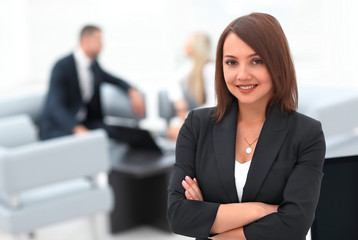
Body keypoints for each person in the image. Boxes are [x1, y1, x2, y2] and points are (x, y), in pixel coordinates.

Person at [167, 12, 326, 240]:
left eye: (256, 61)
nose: (242, 75)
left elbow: (295, 225)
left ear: (278, 65)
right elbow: (178, 215)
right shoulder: (196, 126)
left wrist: (211, 222)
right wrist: (261, 209)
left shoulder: (306, 134)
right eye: (231, 62)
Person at [39, 25, 145, 140]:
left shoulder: (93, 66)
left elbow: (114, 79)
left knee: (122, 134)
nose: (102, 45)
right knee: (85, 142)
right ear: (85, 39)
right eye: (99, 40)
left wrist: (132, 90)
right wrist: (75, 128)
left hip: (86, 122)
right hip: (61, 126)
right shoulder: (62, 67)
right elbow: (55, 106)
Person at [167, 33, 216, 139]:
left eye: (188, 43)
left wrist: (189, 115)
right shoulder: (192, 66)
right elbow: (172, 81)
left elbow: (213, 105)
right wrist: (178, 101)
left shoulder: (210, 69)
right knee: (173, 129)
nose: (184, 46)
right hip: (200, 115)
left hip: (212, 117)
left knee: (178, 132)